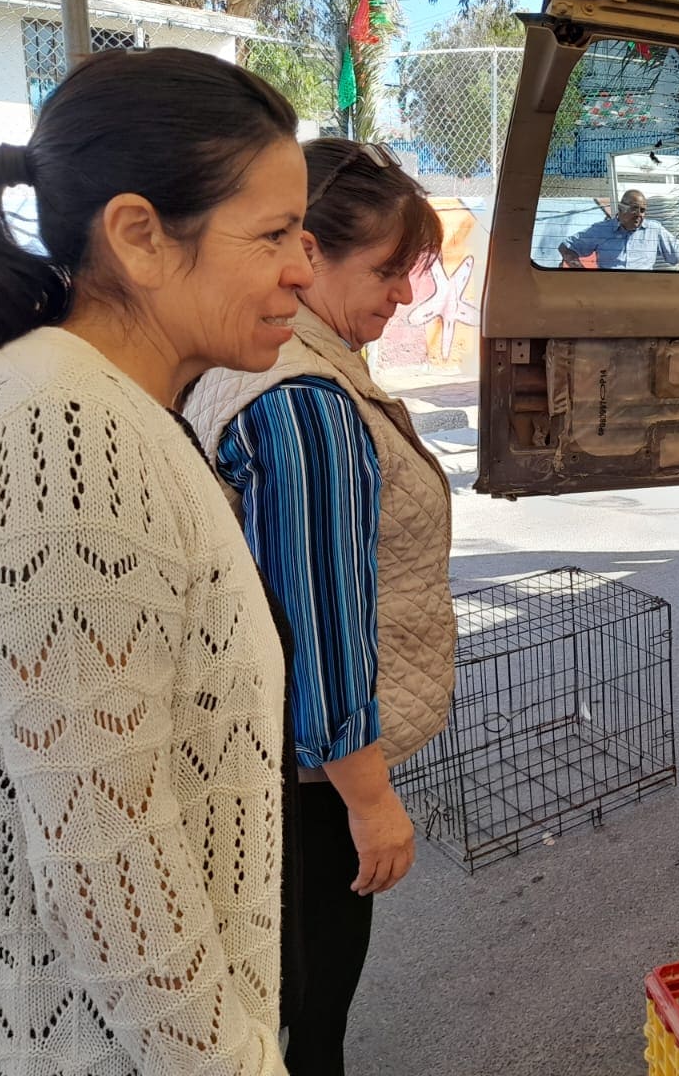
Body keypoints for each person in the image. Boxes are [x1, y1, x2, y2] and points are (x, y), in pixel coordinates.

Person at [0, 49, 308, 1074]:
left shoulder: (91, 408)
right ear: (138, 236)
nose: (303, 264)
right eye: (275, 233)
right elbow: (112, 867)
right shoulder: (58, 433)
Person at [184, 138, 456, 1076]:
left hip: (269, 761)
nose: (408, 295)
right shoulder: (304, 400)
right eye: (387, 270)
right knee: (308, 1010)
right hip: (300, 784)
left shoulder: (281, 363)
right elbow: (320, 623)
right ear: (307, 255)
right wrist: (372, 804)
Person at [558, 188, 679, 269]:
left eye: (642, 210)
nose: (639, 214)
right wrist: (584, 275)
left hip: (643, 291)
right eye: (634, 209)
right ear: (620, 209)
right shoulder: (601, 230)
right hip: (610, 292)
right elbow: (566, 247)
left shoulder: (654, 230)